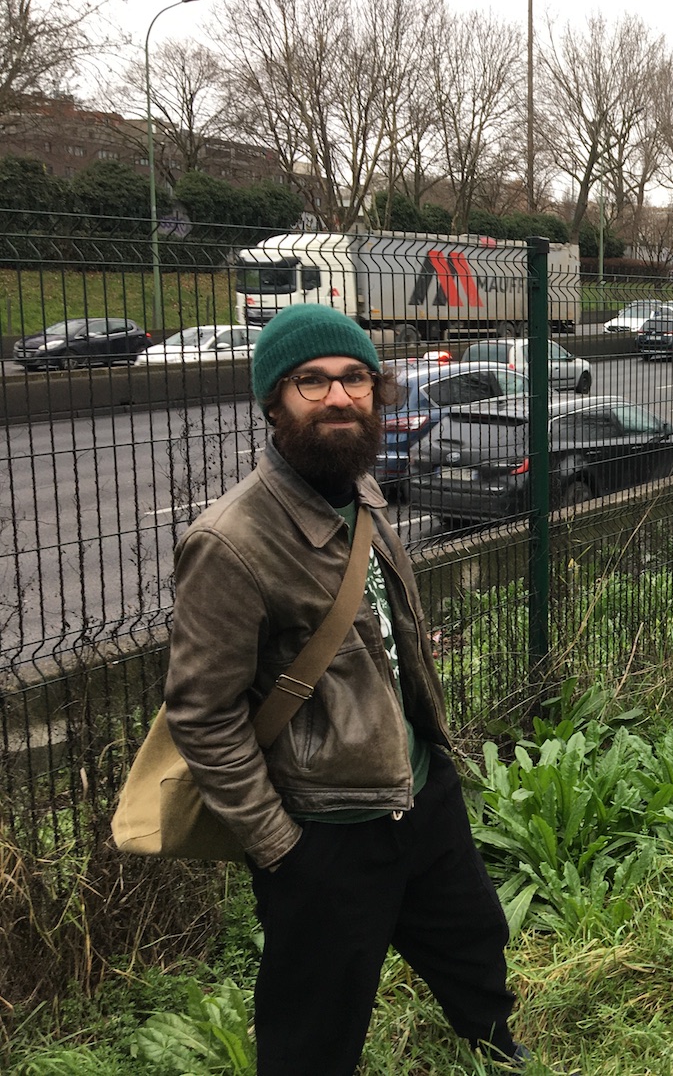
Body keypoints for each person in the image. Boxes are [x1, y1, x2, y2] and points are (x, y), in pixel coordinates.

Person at [163, 304, 524, 1075]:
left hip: (417, 788)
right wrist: (277, 846)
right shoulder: (229, 540)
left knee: (472, 937)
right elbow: (202, 714)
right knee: (314, 1022)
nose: (339, 397)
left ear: (376, 391)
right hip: (322, 827)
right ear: (274, 402)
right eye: (312, 381)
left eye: (355, 378)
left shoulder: (361, 493)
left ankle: (493, 1042)